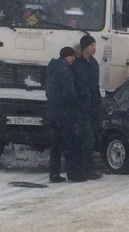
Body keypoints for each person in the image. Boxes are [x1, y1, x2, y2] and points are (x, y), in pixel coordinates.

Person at [46, 47, 85, 183]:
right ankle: (74, 174)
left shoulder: (51, 70)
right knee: (71, 143)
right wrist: (78, 104)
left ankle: (54, 174)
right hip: (65, 113)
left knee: (56, 144)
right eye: (72, 56)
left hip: (53, 111)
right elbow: (69, 93)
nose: (73, 59)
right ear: (66, 57)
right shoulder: (65, 71)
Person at [73, 35, 103, 180]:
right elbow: (75, 86)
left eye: (95, 45)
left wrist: (98, 103)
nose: (94, 48)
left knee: (90, 139)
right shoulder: (77, 63)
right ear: (85, 47)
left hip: (91, 105)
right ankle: (82, 169)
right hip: (80, 106)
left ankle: (87, 168)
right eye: (91, 45)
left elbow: (95, 85)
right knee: (84, 138)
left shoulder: (93, 63)